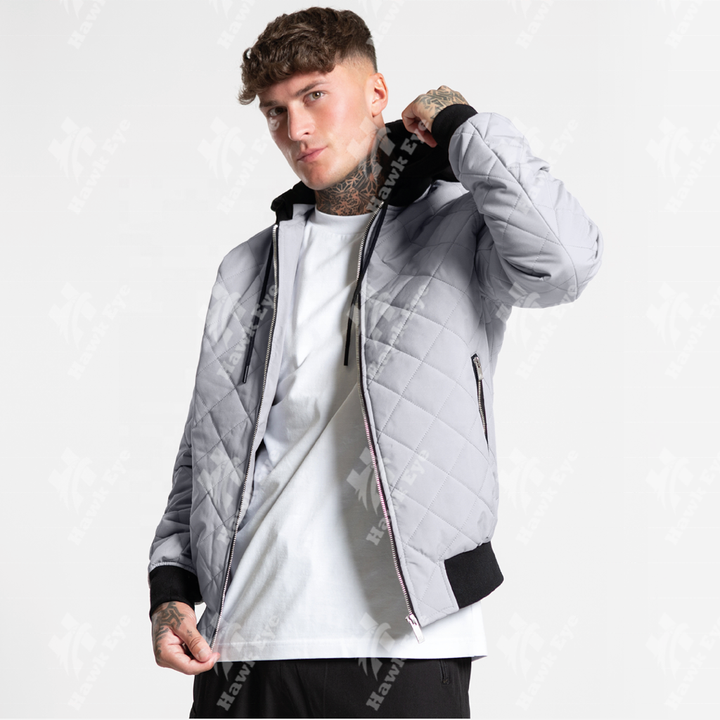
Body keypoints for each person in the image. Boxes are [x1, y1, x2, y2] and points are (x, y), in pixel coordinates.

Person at [148, 7, 603, 718]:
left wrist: (461, 125)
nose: (296, 129)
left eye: (315, 96)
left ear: (377, 94)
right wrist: (171, 592)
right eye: (275, 112)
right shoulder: (246, 267)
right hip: (242, 648)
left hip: (405, 645)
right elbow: (204, 451)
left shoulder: (458, 228)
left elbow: (566, 261)